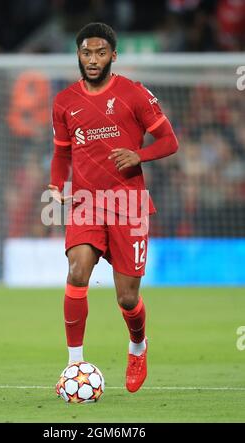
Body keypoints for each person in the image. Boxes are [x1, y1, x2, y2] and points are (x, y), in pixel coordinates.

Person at [49, 22, 178, 393]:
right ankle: (74, 365)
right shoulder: (64, 101)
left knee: (127, 296)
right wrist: (56, 185)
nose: (93, 59)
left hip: (128, 204)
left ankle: (138, 345)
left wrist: (139, 154)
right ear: (78, 54)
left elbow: (170, 141)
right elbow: (61, 152)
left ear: (113, 56)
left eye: (100, 53)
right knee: (77, 272)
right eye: (86, 53)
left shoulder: (133, 94)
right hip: (86, 203)